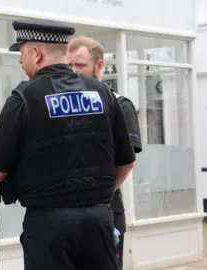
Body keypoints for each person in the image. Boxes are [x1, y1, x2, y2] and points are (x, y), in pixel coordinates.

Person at [0, 18, 136, 270]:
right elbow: (127, 162)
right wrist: (99, 196)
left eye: (21, 53)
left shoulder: (24, 98)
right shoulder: (103, 93)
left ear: (36, 53)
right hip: (99, 220)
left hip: (48, 224)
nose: (21, 61)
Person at [68, 36, 143, 269]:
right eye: (69, 65)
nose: (73, 72)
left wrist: (101, 192)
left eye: (80, 65)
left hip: (106, 209)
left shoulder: (119, 104)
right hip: (67, 211)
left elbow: (126, 162)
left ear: (99, 65)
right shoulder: (65, 106)